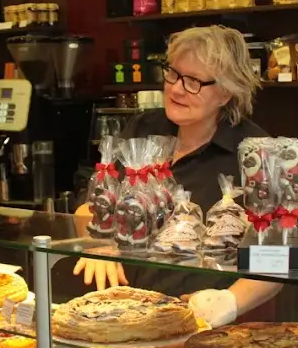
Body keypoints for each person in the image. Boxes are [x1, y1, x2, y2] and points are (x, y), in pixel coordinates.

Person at [72, 25, 281, 325]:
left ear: (225, 92)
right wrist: (97, 242)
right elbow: (90, 203)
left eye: (193, 81)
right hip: (122, 311)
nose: (176, 88)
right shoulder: (143, 129)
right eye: (173, 73)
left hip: (207, 324)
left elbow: (281, 255)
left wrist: (229, 302)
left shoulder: (255, 154)